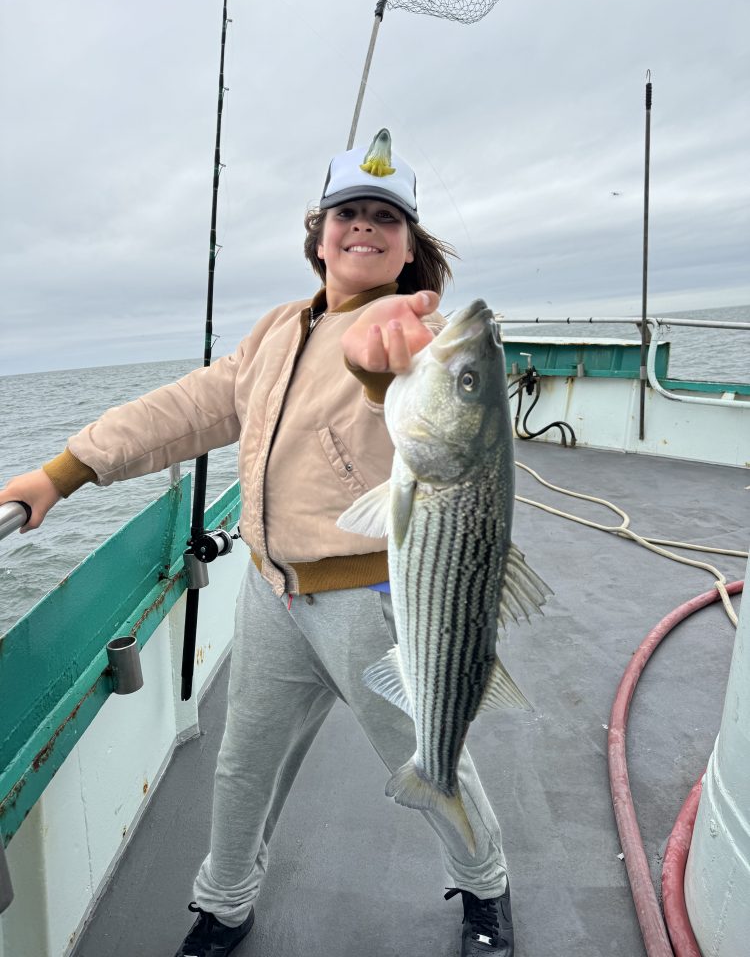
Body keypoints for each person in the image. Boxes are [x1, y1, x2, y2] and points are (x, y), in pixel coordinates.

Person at [0, 129, 514, 957]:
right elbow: (190, 408)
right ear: (317, 235)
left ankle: (487, 887)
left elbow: (416, 405)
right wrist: (64, 471)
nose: (366, 226)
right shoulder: (278, 328)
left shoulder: (418, 336)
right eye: (349, 210)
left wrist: (387, 373)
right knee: (242, 768)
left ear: (411, 248)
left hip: (374, 605)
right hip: (275, 595)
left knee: (434, 760)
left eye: (388, 216)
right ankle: (224, 904)